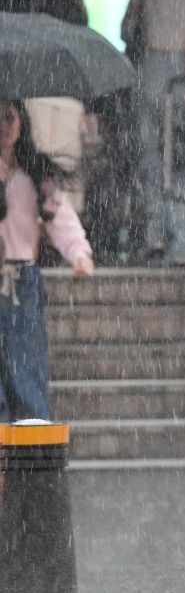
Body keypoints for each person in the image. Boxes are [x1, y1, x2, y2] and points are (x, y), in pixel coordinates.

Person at [0, 99, 94, 421]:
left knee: (25, 367)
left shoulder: (34, 173)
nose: (3, 125)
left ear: (20, 122)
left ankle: (32, 443)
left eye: (8, 116)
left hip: (21, 280)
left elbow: (60, 216)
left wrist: (79, 253)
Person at [124, 0, 185, 265]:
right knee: (182, 159)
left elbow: (126, 28)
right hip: (179, 67)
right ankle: (184, 238)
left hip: (149, 66)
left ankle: (155, 233)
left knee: (151, 156)